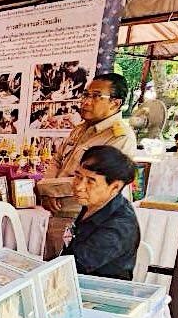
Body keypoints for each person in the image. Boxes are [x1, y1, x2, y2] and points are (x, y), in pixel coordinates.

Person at [38, 72, 137, 258]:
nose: (86, 102)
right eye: (86, 95)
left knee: (72, 268)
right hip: (58, 211)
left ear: (115, 103)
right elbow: (57, 160)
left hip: (83, 216)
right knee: (51, 267)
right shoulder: (81, 129)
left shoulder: (120, 137)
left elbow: (96, 181)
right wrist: (47, 192)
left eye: (96, 96)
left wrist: (48, 189)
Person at [60, 146, 140, 280]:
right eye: (78, 177)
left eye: (90, 181)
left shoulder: (120, 225)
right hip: (74, 280)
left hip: (100, 289)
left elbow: (74, 267)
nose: (79, 186)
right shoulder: (93, 204)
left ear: (115, 186)